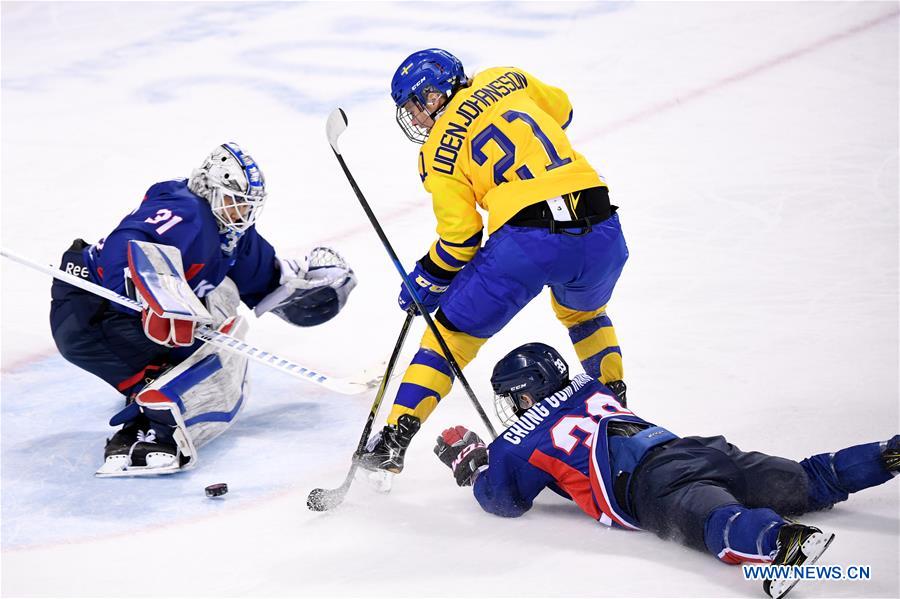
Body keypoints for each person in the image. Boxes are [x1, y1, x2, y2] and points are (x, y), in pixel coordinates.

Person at [433, 342, 899, 599]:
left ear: (527, 394)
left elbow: (503, 501)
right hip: (696, 449)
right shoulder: (591, 386)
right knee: (811, 477)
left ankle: (781, 541)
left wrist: (474, 462)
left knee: (719, 521)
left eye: (513, 397)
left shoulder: (518, 442)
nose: (512, 407)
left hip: (654, 484)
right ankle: (889, 454)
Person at [360, 48, 629, 474]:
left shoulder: (436, 152)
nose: (414, 117)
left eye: (416, 104)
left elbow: (461, 239)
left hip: (529, 240)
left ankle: (393, 440)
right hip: (602, 228)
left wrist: (426, 278)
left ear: (437, 93)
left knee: (449, 337)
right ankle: (618, 413)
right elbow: (563, 110)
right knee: (586, 316)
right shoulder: (506, 76)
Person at [49, 142, 357, 475]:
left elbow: (264, 281)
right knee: (200, 363)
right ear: (209, 189)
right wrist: (150, 291)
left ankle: (155, 390)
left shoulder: (233, 233)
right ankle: (149, 428)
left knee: (214, 323)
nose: (241, 214)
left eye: (248, 206)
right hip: (89, 309)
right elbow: (127, 241)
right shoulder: (185, 212)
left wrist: (307, 291)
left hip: (130, 317)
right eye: (234, 202)